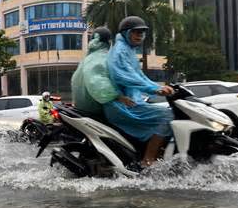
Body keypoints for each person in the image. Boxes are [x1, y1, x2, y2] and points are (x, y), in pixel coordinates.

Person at [103, 17, 174, 167]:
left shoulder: (128, 50)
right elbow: (126, 77)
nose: (139, 35)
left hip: (132, 102)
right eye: (136, 32)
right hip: (122, 106)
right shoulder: (120, 51)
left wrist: (157, 87)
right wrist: (155, 89)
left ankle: (160, 156)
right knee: (168, 116)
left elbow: (140, 77)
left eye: (142, 32)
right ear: (126, 33)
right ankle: (148, 160)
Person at [70, 27, 134, 119]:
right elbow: (96, 81)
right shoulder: (101, 57)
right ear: (109, 41)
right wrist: (119, 97)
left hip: (83, 113)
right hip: (97, 115)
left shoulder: (86, 60)